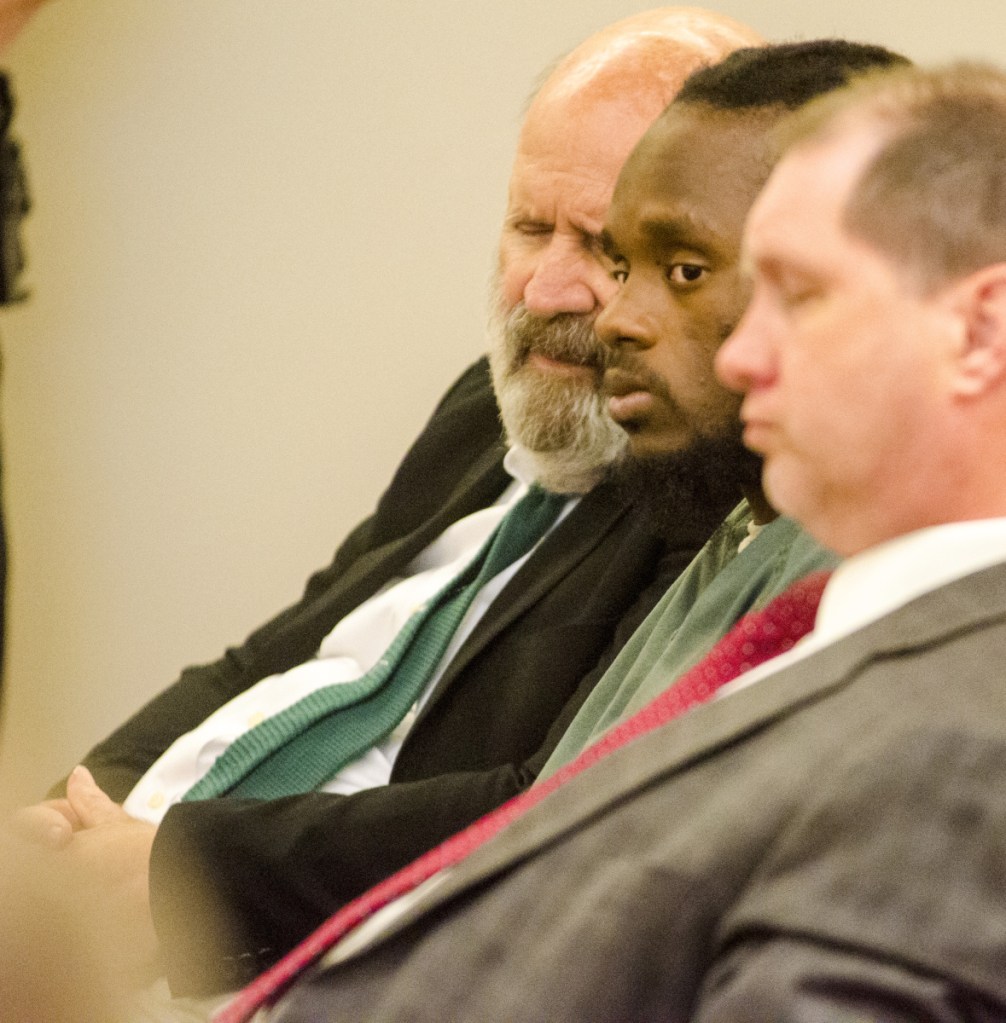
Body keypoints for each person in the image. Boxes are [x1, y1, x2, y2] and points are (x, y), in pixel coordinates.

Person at [205, 42, 1006, 1023]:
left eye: (788, 295)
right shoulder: (740, 540)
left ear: (977, 331)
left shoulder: (952, 721)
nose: (748, 349)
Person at [16, 6, 762, 1001]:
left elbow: (543, 806)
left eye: (606, 249)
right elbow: (281, 654)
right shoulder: (487, 404)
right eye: (530, 225)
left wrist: (171, 871)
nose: (546, 287)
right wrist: (71, 814)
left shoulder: (712, 492)